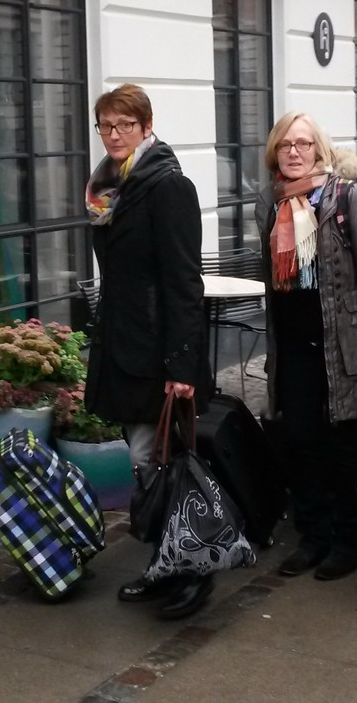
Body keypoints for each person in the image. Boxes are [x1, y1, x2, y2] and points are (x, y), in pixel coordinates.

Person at [257, 111, 357, 580]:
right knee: (299, 443)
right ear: (274, 154)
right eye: (286, 145)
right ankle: (312, 536)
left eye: (303, 144)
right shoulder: (273, 202)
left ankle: (348, 540)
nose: (295, 153)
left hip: (344, 346)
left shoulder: (350, 197)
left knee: (342, 448)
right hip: (294, 346)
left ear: (320, 150)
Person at [82, 84, 211, 618]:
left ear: (145, 125)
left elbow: (185, 281)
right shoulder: (109, 187)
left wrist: (182, 365)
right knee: (145, 463)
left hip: (158, 352)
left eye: (123, 126)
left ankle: (192, 573)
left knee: (165, 464)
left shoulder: (167, 185)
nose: (113, 135)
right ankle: (165, 562)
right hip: (124, 344)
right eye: (106, 126)